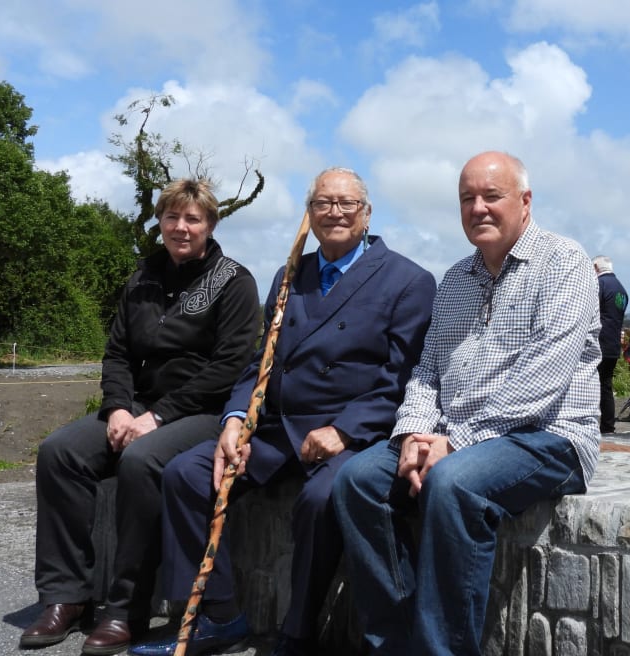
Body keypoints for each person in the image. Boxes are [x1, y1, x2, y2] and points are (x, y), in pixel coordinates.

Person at [130, 168, 436, 656]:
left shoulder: (409, 281)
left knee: (321, 499)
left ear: (367, 212)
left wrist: (343, 429)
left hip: (353, 432)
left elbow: (401, 379)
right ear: (309, 213)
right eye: (322, 203)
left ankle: (298, 632)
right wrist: (235, 419)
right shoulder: (291, 273)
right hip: (279, 428)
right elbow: (261, 362)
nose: (334, 212)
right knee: (186, 473)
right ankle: (221, 615)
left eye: (346, 203)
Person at [331, 151, 601, 656]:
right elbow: (427, 369)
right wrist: (413, 433)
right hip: (454, 435)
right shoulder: (455, 279)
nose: (478, 208)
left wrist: (454, 442)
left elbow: (544, 379)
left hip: (549, 435)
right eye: (466, 199)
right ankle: (392, 644)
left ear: (525, 201)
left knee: (452, 483)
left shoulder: (565, 264)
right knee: (357, 481)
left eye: (491, 196)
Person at [20, 179, 260, 655]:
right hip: (137, 407)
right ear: (161, 221)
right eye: (172, 217)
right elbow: (116, 354)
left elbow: (229, 367)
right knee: (59, 453)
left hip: (202, 411)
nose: (181, 227)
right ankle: (65, 596)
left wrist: (157, 416)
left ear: (210, 224)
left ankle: (124, 608)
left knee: (142, 462)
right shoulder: (143, 278)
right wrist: (117, 408)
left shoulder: (234, 281)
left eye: (192, 218)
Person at [593, 255, 628, 433]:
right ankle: (607, 424)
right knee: (606, 385)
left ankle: (590, 423)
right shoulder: (621, 289)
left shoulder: (600, 285)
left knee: (589, 383)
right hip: (613, 344)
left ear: (596, 267)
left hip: (598, 342)